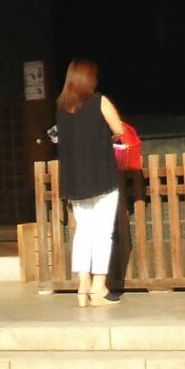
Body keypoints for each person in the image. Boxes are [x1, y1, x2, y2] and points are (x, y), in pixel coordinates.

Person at [51, 58, 128, 306]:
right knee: (103, 232)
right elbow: (119, 130)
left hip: (74, 178)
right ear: (89, 79)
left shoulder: (61, 107)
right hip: (101, 174)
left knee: (83, 231)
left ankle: (82, 287)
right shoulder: (99, 101)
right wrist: (106, 135)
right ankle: (99, 287)